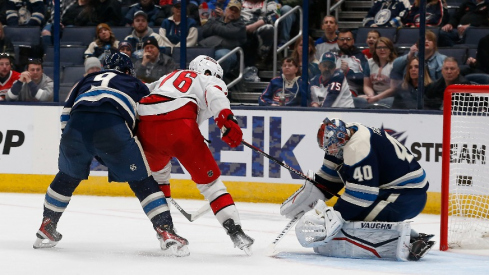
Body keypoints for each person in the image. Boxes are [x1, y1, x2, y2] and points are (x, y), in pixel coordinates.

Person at [32, 52, 189, 257]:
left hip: (75, 128)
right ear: (126, 70)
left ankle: (47, 226)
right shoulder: (135, 83)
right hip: (112, 125)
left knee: (66, 177)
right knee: (142, 181)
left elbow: (65, 114)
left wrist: (81, 145)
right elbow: (147, 121)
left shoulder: (86, 79)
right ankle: (166, 231)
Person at [136, 55, 254, 255]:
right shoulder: (208, 79)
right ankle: (235, 230)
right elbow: (215, 95)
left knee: (158, 181)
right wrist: (227, 120)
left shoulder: (169, 76)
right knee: (211, 185)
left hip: (145, 125)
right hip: (180, 125)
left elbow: (140, 92)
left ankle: (164, 229)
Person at [280, 118, 434, 261]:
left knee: (348, 222)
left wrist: (336, 215)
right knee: (345, 216)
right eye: (328, 149)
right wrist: (309, 195)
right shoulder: (347, 134)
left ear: (341, 139)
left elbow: (362, 196)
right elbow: (329, 180)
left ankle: (408, 242)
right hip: (398, 193)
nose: (332, 151)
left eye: (333, 148)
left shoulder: (358, 147)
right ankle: (412, 236)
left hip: (405, 197)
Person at [199, 0, 246, 75]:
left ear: (239, 14)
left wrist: (214, 27)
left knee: (221, 55)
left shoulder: (240, 25)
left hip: (229, 51)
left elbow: (228, 32)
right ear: (226, 10)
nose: (233, 12)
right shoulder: (215, 20)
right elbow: (204, 31)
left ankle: (217, 80)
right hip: (209, 48)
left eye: (236, 11)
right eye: (231, 9)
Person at [241, 0, 280, 68]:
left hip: (258, 29)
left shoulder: (269, 2)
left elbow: (275, 16)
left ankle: (261, 59)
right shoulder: (239, 1)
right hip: (239, 28)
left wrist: (254, 26)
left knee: (268, 28)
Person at [362, 37, 398, 104]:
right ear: (375, 49)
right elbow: (367, 85)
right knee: (358, 100)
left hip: (391, 97)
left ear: (390, 50)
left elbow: (394, 89)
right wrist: (371, 96)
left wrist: (376, 98)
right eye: (379, 47)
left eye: (385, 47)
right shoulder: (370, 63)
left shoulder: (396, 64)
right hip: (374, 95)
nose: (382, 50)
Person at [335, 29, 368, 96]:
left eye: (348, 39)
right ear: (337, 41)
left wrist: (348, 72)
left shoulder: (360, 57)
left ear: (353, 41)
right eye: (342, 39)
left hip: (352, 88)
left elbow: (365, 77)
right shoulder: (333, 57)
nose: (345, 42)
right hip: (332, 87)